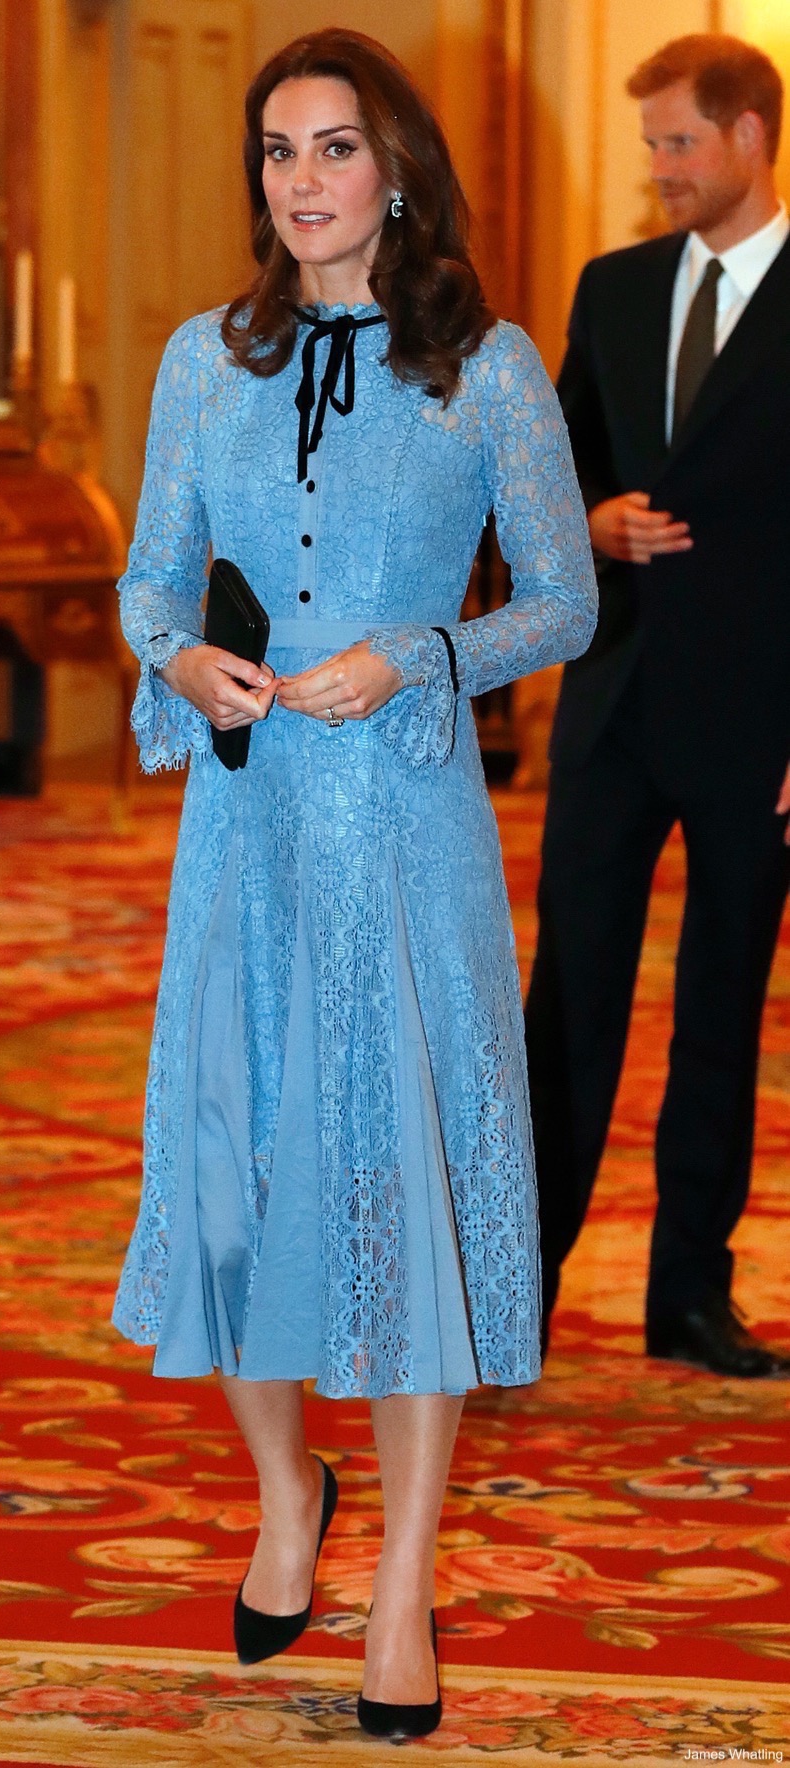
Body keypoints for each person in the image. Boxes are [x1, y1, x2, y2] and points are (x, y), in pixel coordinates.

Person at [113, 27, 596, 1739]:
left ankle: (401, 1590)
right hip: (244, 834)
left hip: (403, 833)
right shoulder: (202, 361)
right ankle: (282, 1495)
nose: (300, 182)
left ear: (395, 170)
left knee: (407, 1201)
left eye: (331, 148)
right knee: (240, 1185)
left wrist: (418, 654)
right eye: (276, 152)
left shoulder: (491, 369)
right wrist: (177, 663)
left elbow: (562, 601)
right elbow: (149, 583)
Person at [525, 34, 790, 1379]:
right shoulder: (614, 290)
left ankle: (690, 1292)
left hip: (762, 726)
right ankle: (514, 1290)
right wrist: (590, 522)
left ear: (752, 137)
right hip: (616, 702)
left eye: (680, 143)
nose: (662, 171)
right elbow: (546, 489)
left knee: (720, 1007)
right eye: (652, 147)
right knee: (566, 1001)